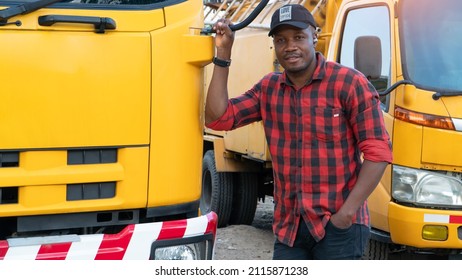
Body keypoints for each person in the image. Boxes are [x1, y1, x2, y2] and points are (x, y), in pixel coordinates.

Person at [205, 4, 393, 260]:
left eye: (298, 37)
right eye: (281, 39)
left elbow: (378, 151)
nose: (289, 46)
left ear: (314, 36)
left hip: (338, 227)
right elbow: (219, 118)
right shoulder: (269, 89)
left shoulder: (349, 83)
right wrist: (223, 54)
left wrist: (346, 214)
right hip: (289, 230)